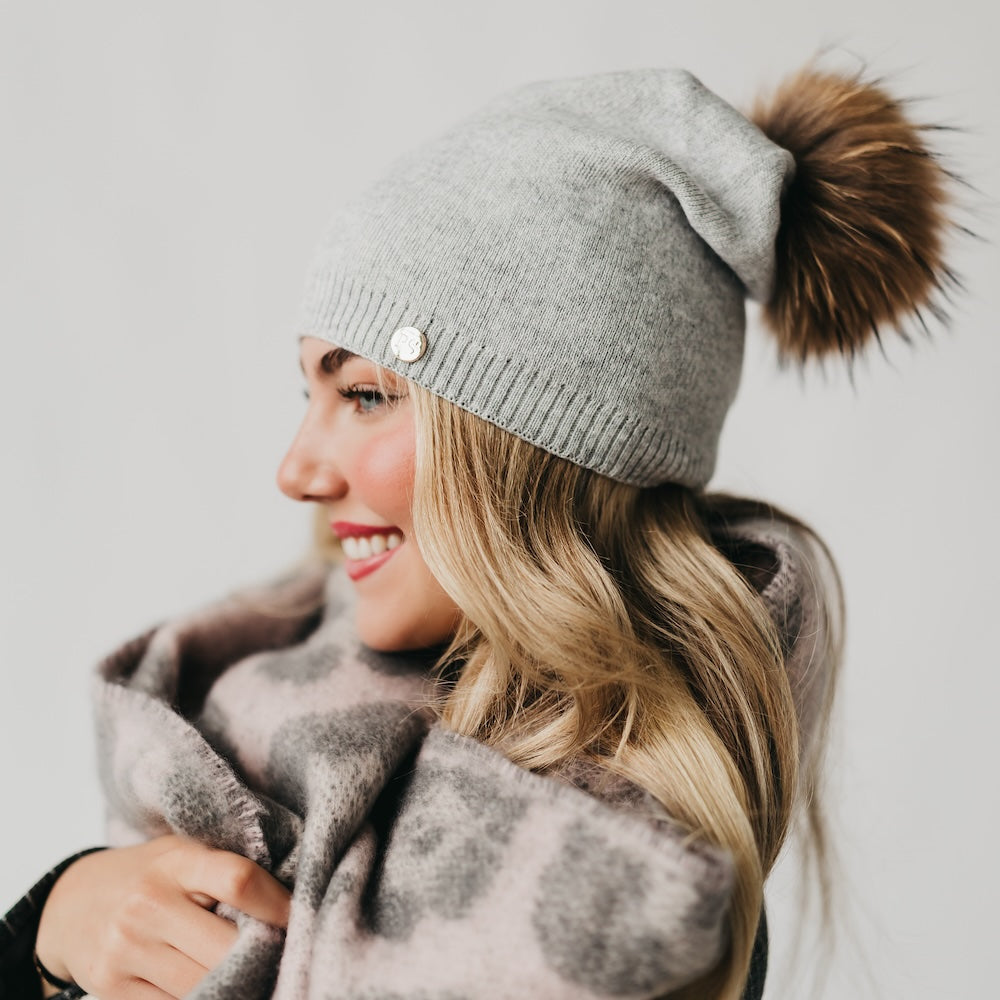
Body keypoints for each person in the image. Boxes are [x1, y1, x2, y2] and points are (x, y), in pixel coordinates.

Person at [1, 61, 953, 1000]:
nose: (296, 472)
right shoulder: (237, 725)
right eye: (309, 394)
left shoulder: (625, 903)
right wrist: (52, 925)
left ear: (530, 453)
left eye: (365, 394)